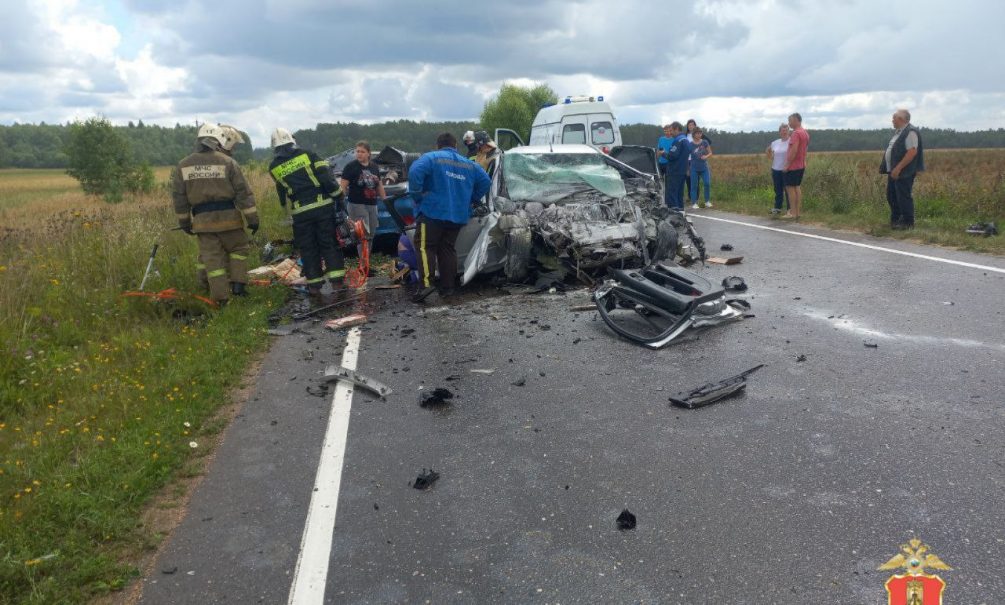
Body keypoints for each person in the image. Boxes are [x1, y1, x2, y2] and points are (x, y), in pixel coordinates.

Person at [171, 124, 258, 305]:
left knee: (212, 261)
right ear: (218, 140)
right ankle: (239, 286)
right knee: (238, 249)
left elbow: (179, 199)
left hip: (203, 223)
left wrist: (186, 223)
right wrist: (252, 219)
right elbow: (243, 193)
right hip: (230, 219)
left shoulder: (183, 165)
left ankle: (220, 300)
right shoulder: (228, 162)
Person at [407, 132, 491, 302]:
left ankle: (426, 287)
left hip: (432, 211)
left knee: (425, 247)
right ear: (456, 146)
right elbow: (486, 181)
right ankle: (448, 288)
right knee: (447, 248)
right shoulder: (469, 164)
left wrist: (417, 196)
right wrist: (471, 199)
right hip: (457, 215)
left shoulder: (431, 158)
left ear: (438, 145)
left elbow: (415, 171)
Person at [268, 128, 346, 297]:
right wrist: (338, 195)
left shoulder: (273, 166)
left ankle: (314, 287)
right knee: (328, 244)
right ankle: (337, 284)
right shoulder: (308, 154)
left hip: (300, 213)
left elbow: (281, 189)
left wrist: (284, 204)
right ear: (291, 141)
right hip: (322, 207)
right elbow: (326, 177)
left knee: (308, 248)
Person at [880, 109, 924, 230]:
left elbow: (912, 152)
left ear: (901, 119)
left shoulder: (910, 132)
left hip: (904, 171)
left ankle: (908, 222)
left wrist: (898, 168)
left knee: (903, 196)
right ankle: (896, 220)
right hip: (894, 170)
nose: (892, 120)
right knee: (892, 196)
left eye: (894, 118)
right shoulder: (899, 132)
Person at [339, 140, 386, 255]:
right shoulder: (351, 167)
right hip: (357, 204)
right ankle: (364, 264)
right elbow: (343, 187)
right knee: (362, 235)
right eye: (357, 151)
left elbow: (379, 185)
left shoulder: (374, 166)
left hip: (372, 204)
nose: (359, 154)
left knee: (371, 234)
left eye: (362, 152)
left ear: (369, 153)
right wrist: (340, 205)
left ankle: (367, 261)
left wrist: (386, 200)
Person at [782, 112, 809, 219]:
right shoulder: (805, 133)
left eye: (790, 120)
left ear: (796, 120)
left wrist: (787, 165)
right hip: (801, 165)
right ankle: (797, 212)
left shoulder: (796, 134)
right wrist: (804, 160)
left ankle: (792, 213)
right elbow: (805, 150)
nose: (789, 123)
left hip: (793, 166)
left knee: (790, 188)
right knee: (797, 187)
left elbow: (793, 151)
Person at [657, 122, 689, 210]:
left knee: (672, 194)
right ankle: (681, 212)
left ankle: (674, 215)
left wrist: (663, 153)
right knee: (679, 194)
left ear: (677, 129)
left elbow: (672, 156)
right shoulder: (685, 139)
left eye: (671, 130)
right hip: (682, 171)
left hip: (674, 171)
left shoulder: (678, 140)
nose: (670, 133)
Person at [766, 123, 791, 214]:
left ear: (789, 131)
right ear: (779, 132)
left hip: (786, 169)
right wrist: (771, 157)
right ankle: (777, 208)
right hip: (775, 169)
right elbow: (767, 150)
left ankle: (790, 209)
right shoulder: (775, 142)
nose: (784, 132)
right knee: (778, 190)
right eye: (782, 130)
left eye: (786, 130)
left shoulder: (791, 141)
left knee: (788, 190)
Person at [689, 128, 713, 209]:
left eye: (700, 133)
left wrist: (706, 156)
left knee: (707, 183)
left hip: (704, 167)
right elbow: (686, 156)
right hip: (694, 167)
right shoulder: (690, 144)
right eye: (697, 133)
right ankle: (694, 203)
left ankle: (707, 201)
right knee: (694, 185)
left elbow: (710, 153)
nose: (699, 135)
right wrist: (687, 168)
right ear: (694, 134)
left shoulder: (704, 142)